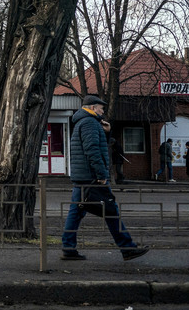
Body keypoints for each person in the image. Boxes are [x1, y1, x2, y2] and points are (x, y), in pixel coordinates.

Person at [61, 95, 149, 261]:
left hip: (84, 177)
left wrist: (107, 133)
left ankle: (68, 247)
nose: (103, 112)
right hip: (92, 178)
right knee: (111, 211)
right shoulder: (89, 123)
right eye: (101, 108)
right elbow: (92, 150)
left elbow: (96, 145)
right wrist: (102, 175)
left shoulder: (85, 122)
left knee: (76, 213)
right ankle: (127, 247)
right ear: (93, 108)